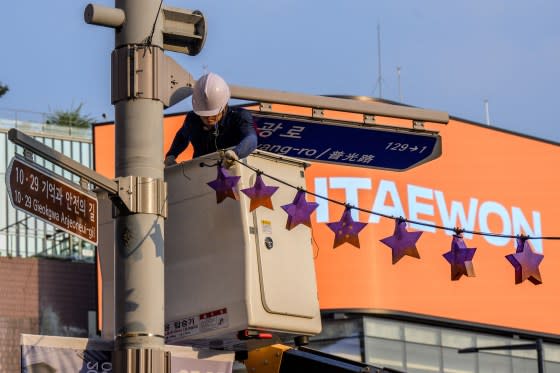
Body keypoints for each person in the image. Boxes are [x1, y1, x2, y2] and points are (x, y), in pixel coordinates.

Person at [164, 72, 257, 168]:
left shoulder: (239, 116)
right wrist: (171, 155)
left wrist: (236, 153)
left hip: (232, 169)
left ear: (224, 106)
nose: (208, 118)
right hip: (200, 173)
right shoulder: (192, 119)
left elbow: (251, 138)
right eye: (203, 115)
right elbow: (182, 136)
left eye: (213, 114)